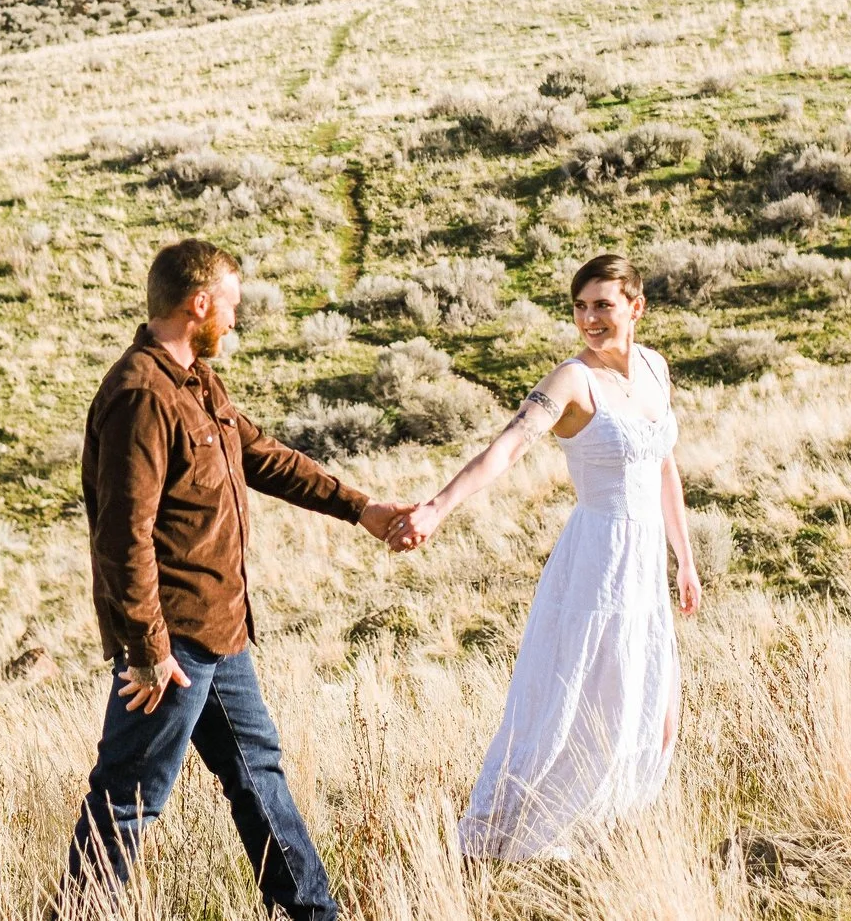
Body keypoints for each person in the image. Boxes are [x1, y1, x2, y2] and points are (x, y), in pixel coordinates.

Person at [59, 238, 411, 921]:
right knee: (128, 801)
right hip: (173, 644)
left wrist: (361, 508)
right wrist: (148, 648)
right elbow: (121, 535)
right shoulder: (139, 394)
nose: (236, 320)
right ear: (199, 304)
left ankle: (313, 912)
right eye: (232, 305)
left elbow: (262, 454)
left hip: (222, 634)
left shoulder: (196, 382)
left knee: (258, 778)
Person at [390, 252, 701, 860]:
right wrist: (436, 507)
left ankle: (606, 832)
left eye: (603, 305)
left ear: (635, 308)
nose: (589, 318)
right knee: (574, 698)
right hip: (596, 558)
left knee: (653, 705)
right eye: (580, 306)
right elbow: (507, 448)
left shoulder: (655, 369)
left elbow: (664, 465)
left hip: (645, 568)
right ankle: (501, 840)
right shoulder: (571, 380)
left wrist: (684, 557)